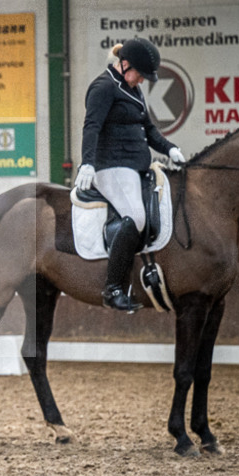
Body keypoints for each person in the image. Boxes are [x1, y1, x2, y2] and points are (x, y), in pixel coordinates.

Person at [74, 37, 185, 313]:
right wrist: (87, 163)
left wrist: (170, 149)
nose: (143, 80)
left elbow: (148, 129)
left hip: (136, 166)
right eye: (140, 74)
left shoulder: (134, 90)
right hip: (110, 166)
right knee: (135, 217)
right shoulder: (103, 87)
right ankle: (113, 288)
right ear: (124, 65)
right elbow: (91, 127)